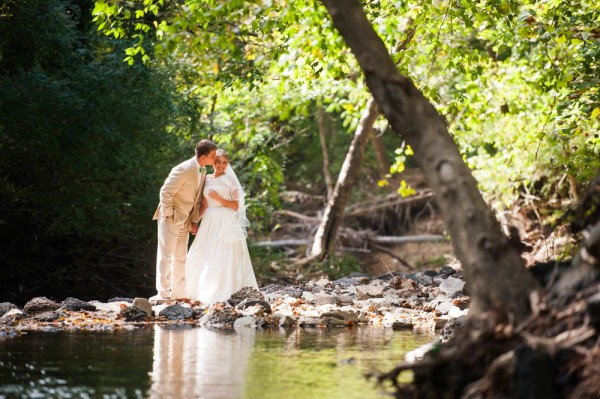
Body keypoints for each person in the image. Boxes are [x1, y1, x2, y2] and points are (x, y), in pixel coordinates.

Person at [185, 149, 258, 303]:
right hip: (209, 221)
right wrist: (195, 221)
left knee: (222, 254)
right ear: (213, 162)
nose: (221, 165)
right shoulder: (207, 178)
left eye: (225, 163)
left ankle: (225, 290)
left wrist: (218, 198)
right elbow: (204, 205)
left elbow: (235, 205)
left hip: (225, 220)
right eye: (218, 161)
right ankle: (199, 289)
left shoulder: (230, 179)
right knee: (202, 253)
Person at [151, 139, 217, 301]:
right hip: (171, 218)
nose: (215, 159)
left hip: (185, 220)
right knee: (166, 256)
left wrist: (194, 221)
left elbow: (196, 200)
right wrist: (168, 214)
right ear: (203, 157)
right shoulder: (184, 169)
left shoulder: (202, 171)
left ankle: (178, 293)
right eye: (213, 156)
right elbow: (166, 191)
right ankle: (163, 293)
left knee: (181, 257)